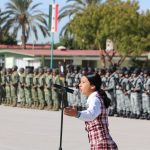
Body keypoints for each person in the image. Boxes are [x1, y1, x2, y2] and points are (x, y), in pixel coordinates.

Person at [64, 73, 118, 150]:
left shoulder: (95, 99)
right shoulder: (95, 98)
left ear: (92, 86)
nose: (80, 85)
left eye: (83, 82)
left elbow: (91, 114)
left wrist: (77, 113)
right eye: (80, 82)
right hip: (101, 143)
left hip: (101, 144)